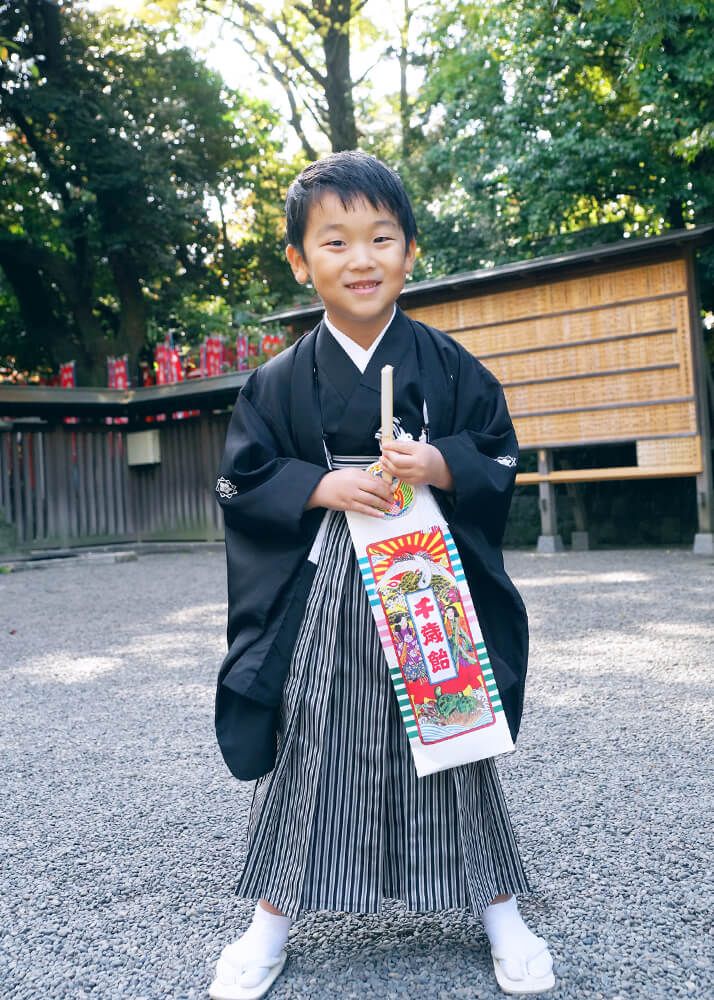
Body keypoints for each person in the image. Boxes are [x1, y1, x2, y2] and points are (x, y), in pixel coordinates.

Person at [210, 151, 555, 999]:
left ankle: (500, 908)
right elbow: (241, 478)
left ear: (410, 252)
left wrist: (439, 462)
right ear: (301, 260)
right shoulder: (279, 379)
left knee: (456, 729)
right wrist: (322, 484)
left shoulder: (449, 363)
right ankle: (271, 918)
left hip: (424, 574)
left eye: (381, 238)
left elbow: (499, 450)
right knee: (313, 736)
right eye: (335, 242)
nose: (359, 259)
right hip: (330, 587)